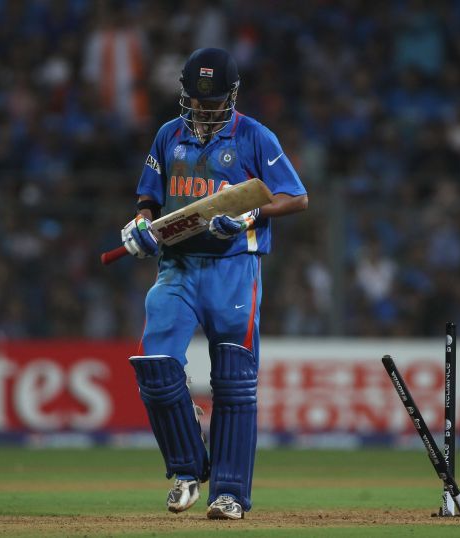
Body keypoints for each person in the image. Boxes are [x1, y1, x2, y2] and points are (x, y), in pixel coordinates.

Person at [119, 47, 308, 520]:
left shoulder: (253, 136)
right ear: (184, 94)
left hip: (233, 270)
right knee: (156, 366)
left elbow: (297, 196)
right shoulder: (168, 135)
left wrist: (252, 212)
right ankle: (187, 468)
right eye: (197, 99)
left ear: (233, 94)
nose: (204, 108)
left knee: (234, 382)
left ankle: (230, 494)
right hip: (177, 268)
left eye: (214, 99)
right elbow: (148, 198)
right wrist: (141, 226)